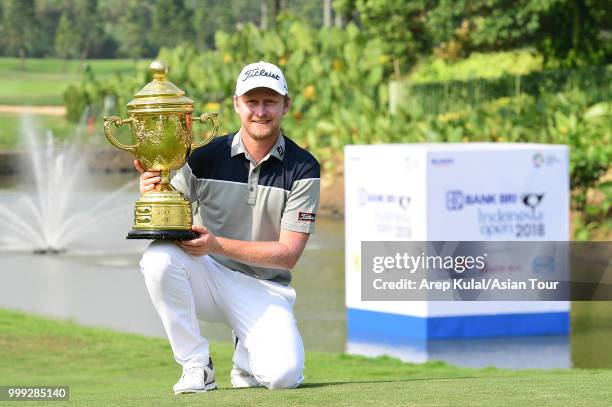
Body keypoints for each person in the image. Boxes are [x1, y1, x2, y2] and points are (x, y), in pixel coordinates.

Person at [135, 61, 320, 394]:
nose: (260, 111)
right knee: (158, 259)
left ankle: (245, 353)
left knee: (283, 377)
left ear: (286, 105)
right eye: (252, 101)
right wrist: (153, 189)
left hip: (264, 287)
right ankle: (196, 366)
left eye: (270, 101)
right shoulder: (205, 156)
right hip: (206, 275)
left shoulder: (303, 168)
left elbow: (289, 254)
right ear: (237, 104)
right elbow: (170, 212)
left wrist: (216, 244)